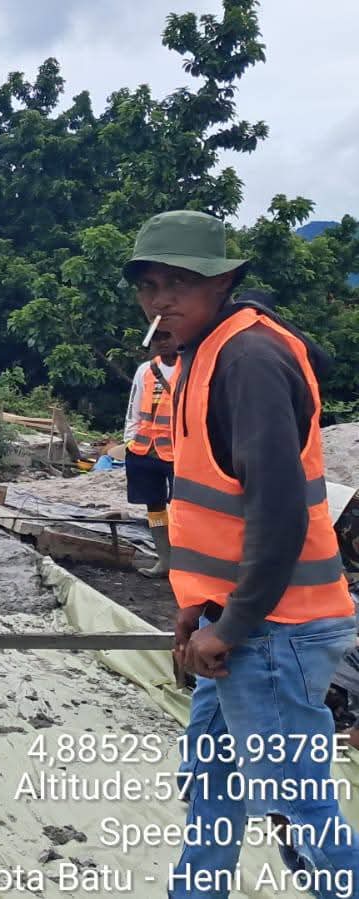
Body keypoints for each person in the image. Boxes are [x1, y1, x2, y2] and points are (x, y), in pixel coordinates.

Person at [123, 210, 359, 895]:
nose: (160, 299)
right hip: (241, 618)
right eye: (148, 284)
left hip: (275, 627)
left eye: (178, 283)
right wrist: (196, 607)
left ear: (223, 281)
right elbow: (213, 508)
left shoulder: (247, 358)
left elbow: (277, 513)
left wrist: (231, 624)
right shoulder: (201, 351)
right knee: (211, 785)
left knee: (297, 805)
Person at [124, 330, 180, 578]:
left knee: (182, 509)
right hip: (145, 449)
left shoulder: (192, 367)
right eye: (158, 338)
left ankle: (185, 565)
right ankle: (164, 559)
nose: (163, 342)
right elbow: (134, 408)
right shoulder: (145, 370)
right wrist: (129, 440)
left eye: (168, 336)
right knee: (155, 508)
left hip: (179, 452)